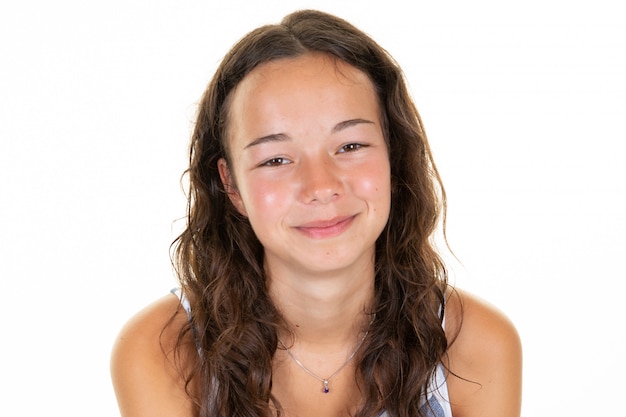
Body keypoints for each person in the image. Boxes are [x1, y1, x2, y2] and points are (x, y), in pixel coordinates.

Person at [110, 9, 522, 417]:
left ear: (394, 156)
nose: (321, 186)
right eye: (275, 160)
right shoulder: (163, 348)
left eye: (350, 146)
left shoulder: (478, 345)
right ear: (231, 185)